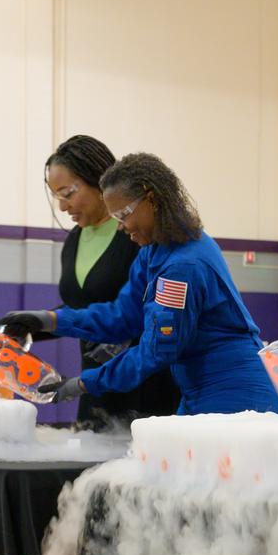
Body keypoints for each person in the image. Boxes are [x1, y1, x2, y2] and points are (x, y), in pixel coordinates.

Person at [0, 153, 278, 416]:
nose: (120, 227)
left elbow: (156, 350)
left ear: (152, 199)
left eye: (123, 215)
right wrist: (50, 320)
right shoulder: (153, 251)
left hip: (237, 393)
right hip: (200, 387)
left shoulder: (182, 266)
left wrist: (83, 383)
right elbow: (123, 316)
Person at [42, 135, 180, 428]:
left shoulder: (141, 237)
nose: (63, 207)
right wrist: (36, 324)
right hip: (95, 383)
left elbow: (134, 317)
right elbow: (86, 308)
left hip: (145, 386)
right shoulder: (74, 242)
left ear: (98, 179)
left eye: (68, 193)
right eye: (57, 198)